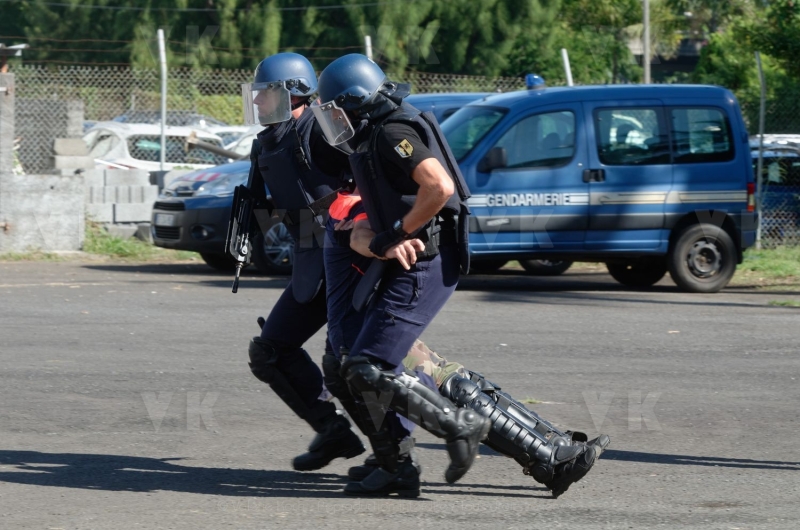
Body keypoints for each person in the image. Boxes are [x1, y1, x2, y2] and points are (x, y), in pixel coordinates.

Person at [313, 54, 609, 498]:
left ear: (355, 102)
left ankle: (469, 443)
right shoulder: (365, 138)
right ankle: (550, 455)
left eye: (336, 111)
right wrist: (383, 240)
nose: (331, 124)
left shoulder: (389, 133)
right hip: (398, 269)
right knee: (423, 373)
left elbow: (436, 188)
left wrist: (396, 233)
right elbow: (361, 219)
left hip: (418, 263)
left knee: (385, 371)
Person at [238, 52, 365, 471]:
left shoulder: (324, 128)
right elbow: (277, 203)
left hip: (352, 257)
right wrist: (247, 225)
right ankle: (332, 430)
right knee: (270, 352)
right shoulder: (268, 142)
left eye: (265, 93)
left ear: (293, 92)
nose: (257, 102)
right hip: (312, 262)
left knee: (359, 365)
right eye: (256, 94)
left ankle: (410, 447)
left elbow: (368, 178)